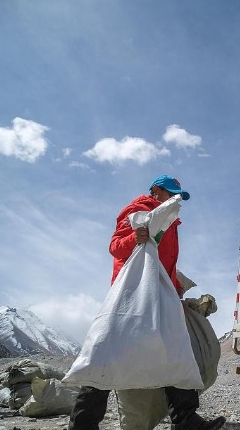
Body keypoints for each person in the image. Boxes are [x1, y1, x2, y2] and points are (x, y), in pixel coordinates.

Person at [68, 175, 225, 430]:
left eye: (178, 195)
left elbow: (164, 264)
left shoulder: (169, 220)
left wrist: (174, 292)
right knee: (106, 355)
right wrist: (134, 239)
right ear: (156, 190)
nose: (175, 199)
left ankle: (186, 421)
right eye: (171, 193)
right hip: (131, 295)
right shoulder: (138, 210)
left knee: (176, 351)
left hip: (160, 295)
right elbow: (115, 247)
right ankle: (83, 424)